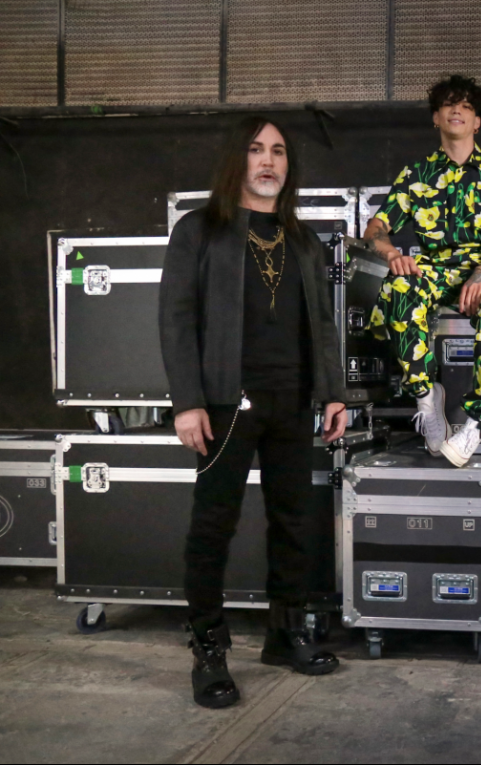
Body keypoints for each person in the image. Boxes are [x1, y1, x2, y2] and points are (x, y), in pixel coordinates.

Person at [160, 116, 348, 710]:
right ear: (236, 160)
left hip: (292, 400)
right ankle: (208, 651)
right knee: (213, 526)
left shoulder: (303, 240)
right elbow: (176, 319)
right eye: (256, 149)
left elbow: (323, 324)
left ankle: (284, 634)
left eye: (279, 152)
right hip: (224, 402)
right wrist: (188, 402)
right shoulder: (199, 230)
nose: (268, 161)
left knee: (295, 522)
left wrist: (333, 393)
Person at [363, 74, 481, 466]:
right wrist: (392, 254)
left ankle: (476, 424)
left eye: (466, 106)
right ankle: (427, 397)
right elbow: (375, 230)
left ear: (477, 122)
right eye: (447, 104)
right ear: (435, 118)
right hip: (436, 269)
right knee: (397, 289)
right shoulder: (416, 175)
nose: (456, 110)